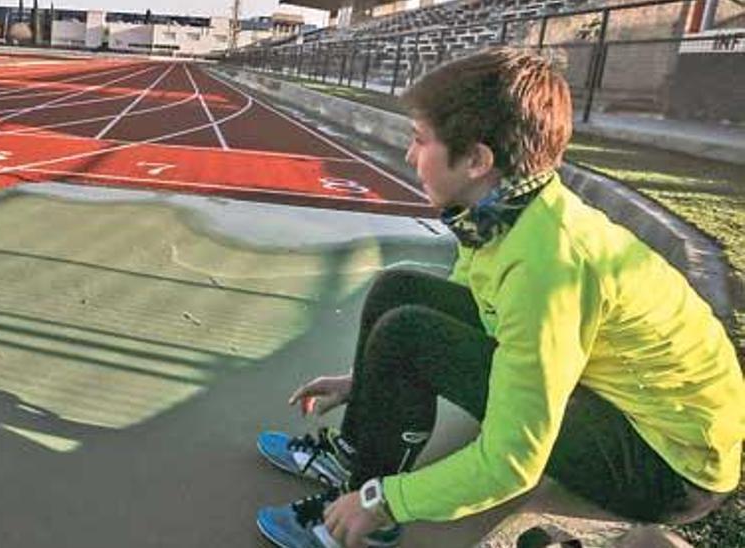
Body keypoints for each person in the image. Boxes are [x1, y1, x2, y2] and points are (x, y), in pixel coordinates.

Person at [254, 47, 743, 548]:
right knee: (397, 288)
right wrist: (368, 380)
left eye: (420, 141)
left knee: (411, 335)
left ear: (476, 160)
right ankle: (356, 452)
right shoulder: (502, 211)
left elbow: (513, 462)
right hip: (634, 409)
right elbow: (468, 302)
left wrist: (387, 498)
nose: (409, 155)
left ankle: (363, 513)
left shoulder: (547, 264)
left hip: (668, 468)